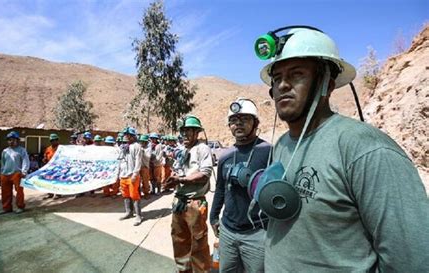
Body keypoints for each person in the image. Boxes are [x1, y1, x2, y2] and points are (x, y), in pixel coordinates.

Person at [255, 26, 429, 272]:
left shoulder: (365, 148)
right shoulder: (282, 145)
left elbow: (412, 260)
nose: (282, 85)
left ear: (327, 83)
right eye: (276, 78)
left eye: (296, 75)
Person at [209, 98, 271, 273]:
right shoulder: (225, 156)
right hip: (227, 232)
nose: (238, 124)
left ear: (255, 123)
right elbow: (220, 189)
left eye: (244, 119)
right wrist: (213, 217)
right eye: (233, 121)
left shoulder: (268, 152)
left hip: (257, 233)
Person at [164, 115, 213, 273]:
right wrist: (173, 178)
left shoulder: (202, 148)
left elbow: (205, 174)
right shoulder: (183, 150)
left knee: (198, 244)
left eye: (188, 131)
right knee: (179, 240)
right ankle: (184, 270)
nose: (184, 135)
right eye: (183, 131)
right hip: (179, 202)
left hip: (195, 203)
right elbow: (178, 171)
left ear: (197, 132)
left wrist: (181, 179)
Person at [117, 127, 143, 226]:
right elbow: (121, 161)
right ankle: (129, 212)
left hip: (132, 175)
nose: (126, 137)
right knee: (125, 195)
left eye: (128, 135)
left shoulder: (137, 146)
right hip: (123, 175)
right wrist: (119, 174)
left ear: (132, 136)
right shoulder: (124, 147)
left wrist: (135, 174)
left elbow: (138, 161)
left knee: (134, 195)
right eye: (125, 135)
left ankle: (138, 216)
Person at [0, 131, 29, 214]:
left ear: (17, 140)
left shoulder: (22, 150)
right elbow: (3, 162)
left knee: (19, 191)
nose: (10, 141)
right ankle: (6, 208)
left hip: (17, 173)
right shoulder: (5, 151)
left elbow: (25, 161)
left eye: (12, 139)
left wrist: (24, 171)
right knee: (5, 192)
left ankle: (20, 206)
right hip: (5, 174)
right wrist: (1, 172)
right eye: (9, 140)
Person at [43, 133, 61, 199]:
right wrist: (45, 159)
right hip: (49, 168)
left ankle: (58, 194)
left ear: (57, 140)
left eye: (54, 140)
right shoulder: (48, 149)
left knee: (57, 181)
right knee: (49, 180)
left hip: (58, 167)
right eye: (51, 140)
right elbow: (45, 156)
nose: (53, 141)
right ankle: (50, 193)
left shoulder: (61, 148)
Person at [138, 134, 151, 199]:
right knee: (137, 181)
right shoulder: (138, 148)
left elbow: (148, 157)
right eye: (141, 141)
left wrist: (143, 152)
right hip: (138, 167)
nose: (142, 143)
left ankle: (146, 193)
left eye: (143, 141)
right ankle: (138, 193)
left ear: (146, 142)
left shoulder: (148, 149)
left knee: (145, 181)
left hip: (145, 167)